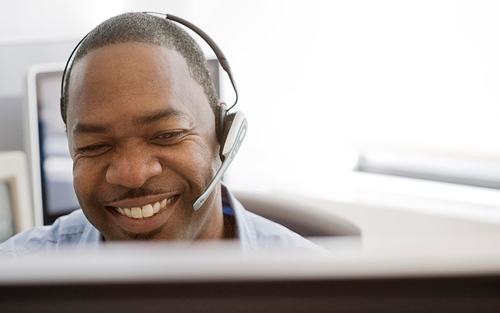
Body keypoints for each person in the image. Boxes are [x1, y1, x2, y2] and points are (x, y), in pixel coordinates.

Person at [0, 12, 321, 257]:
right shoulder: (18, 275)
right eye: (94, 146)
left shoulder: (318, 291)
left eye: (166, 135)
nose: (133, 174)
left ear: (224, 135)